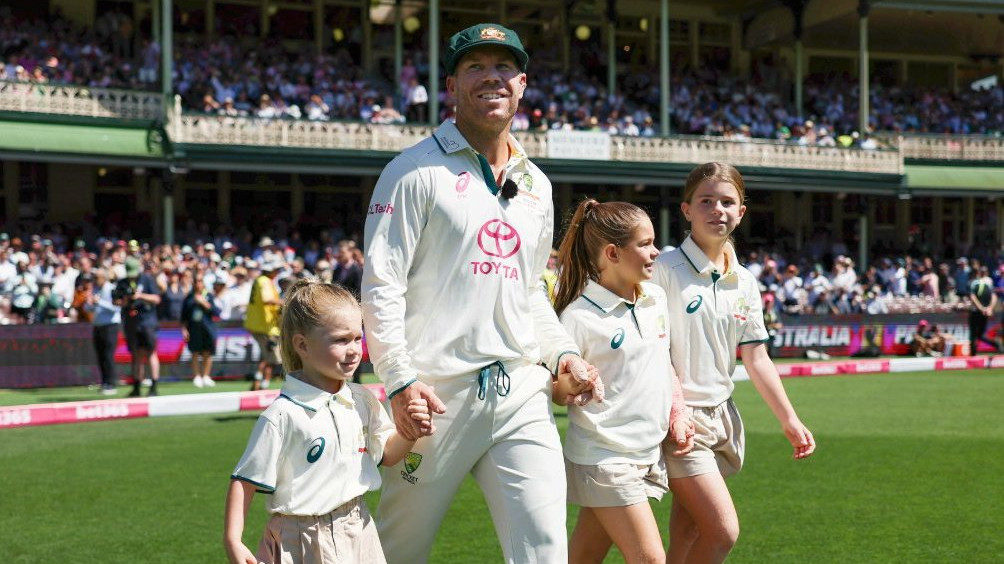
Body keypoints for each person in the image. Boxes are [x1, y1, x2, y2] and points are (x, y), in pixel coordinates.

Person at [361, 22, 600, 564]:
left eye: (502, 68)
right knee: (395, 552)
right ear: (451, 84)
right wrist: (399, 382)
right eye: (475, 67)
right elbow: (382, 286)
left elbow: (531, 294)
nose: (490, 78)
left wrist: (562, 354)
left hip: (520, 391)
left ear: (522, 83)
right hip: (433, 397)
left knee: (544, 551)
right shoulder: (412, 171)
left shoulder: (537, 184)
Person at [652, 162, 816, 564]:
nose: (717, 210)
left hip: (724, 417)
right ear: (687, 209)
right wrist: (676, 411)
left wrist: (789, 420)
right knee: (723, 532)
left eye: (728, 202)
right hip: (680, 420)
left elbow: (756, 358)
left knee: (688, 534)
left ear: (741, 212)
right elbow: (653, 350)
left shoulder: (744, 280)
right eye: (706, 201)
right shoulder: (664, 268)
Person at [224, 280, 430, 564]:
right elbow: (243, 482)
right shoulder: (282, 415)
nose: (354, 349)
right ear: (302, 344)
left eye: (358, 338)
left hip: (359, 527)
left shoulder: (362, 399)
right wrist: (233, 540)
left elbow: (388, 454)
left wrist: (410, 432)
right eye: (340, 340)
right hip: (301, 539)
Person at [553, 199, 694, 564]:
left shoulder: (655, 298)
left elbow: (661, 362)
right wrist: (572, 386)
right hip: (605, 457)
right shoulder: (578, 317)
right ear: (613, 252)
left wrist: (677, 411)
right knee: (651, 559)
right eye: (645, 244)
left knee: (583, 556)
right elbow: (555, 389)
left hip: (647, 453)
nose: (656, 251)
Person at [115, 257, 162, 397]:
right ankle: (136, 386)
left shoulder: (147, 279)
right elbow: (116, 301)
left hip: (147, 321)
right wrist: (125, 300)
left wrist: (140, 296)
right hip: (131, 322)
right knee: (135, 355)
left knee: (151, 352)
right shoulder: (123, 283)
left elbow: (157, 299)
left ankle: (154, 386)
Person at [244, 258, 283, 390]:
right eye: (276, 270)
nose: (278, 272)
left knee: (266, 357)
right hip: (265, 326)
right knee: (272, 358)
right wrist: (285, 302)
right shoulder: (265, 281)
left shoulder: (259, 280)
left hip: (262, 324)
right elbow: (267, 300)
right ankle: (257, 384)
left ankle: (261, 384)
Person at [181, 273, 221, 388]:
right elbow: (184, 316)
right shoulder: (189, 297)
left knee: (207, 353)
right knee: (195, 352)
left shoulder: (209, 296)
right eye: (196, 282)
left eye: (200, 281)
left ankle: (206, 376)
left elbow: (216, 312)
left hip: (208, 328)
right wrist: (184, 329)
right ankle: (197, 376)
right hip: (194, 328)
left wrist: (203, 302)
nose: (198, 284)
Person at [86, 268, 121, 395]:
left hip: (110, 326)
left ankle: (111, 384)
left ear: (104, 278)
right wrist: (90, 303)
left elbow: (116, 308)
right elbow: (88, 308)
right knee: (100, 356)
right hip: (98, 326)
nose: (95, 280)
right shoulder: (95, 290)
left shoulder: (111, 288)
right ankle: (104, 382)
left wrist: (99, 302)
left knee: (108, 355)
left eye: (97, 278)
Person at [967, 265, 1001, 355]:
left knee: (976, 334)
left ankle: (996, 345)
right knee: (976, 335)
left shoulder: (984, 282)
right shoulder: (977, 282)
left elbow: (993, 296)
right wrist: (985, 308)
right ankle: (974, 353)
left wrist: (989, 308)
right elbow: (973, 296)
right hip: (980, 311)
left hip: (980, 311)